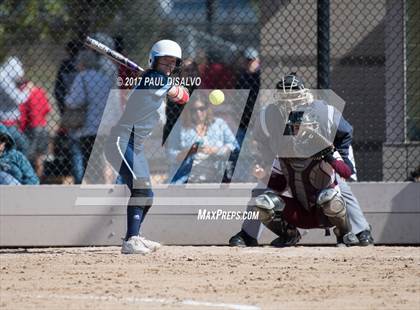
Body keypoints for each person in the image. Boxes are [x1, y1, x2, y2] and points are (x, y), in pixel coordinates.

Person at [229, 73, 374, 247]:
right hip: (286, 161)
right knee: (262, 190)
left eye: (294, 100)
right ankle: (251, 234)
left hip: (322, 160)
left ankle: (358, 231)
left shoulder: (323, 112)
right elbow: (261, 142)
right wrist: (265, 166)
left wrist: (336, 155)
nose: (290, 105)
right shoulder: (269, 115)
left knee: (338, 187)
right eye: (285, 100)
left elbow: (345, 132)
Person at [104, 39, 190, 254]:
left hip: (135, 146)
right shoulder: (153, 78)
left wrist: (166, 83)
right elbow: (180, 95)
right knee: (140, 189)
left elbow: (182, 96)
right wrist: (164, 83)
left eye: (173, 63)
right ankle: (131, 241)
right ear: (154, 61)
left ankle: (135, 236)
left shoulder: (155, 79)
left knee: (147, 194)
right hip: (121, 142)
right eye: (164, 62)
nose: (169, 66)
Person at [65, 50, 113, 184]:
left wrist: (66, 99)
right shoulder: (105, 78)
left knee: (88, 159)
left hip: (87, 127)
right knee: (100, 158)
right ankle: (103, 184)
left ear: (82, 63)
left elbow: (74, 101)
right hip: (104, 125)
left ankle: (90, 185)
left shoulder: (82, 77)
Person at [168, 96, 239, 184]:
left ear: (207, 109)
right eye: (194, 110)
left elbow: (234, 146)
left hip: (216, 176)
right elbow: (171, 155)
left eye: (201, 109)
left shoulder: (219, 124)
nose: (198, 113)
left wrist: (215, 150)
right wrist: (190, 151)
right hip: (186, 178)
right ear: (188, 111)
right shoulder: (179, 128)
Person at [19, 80, 51, 178]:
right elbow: (48, 108)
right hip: (43, 126)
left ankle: (28, 178)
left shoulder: (26, 95)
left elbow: (23, 113)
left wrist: (22, 128)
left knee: (28, 154)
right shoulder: (40, 92)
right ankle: (39, 178)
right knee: (39, 156)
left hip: (32, 127)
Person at [0, 56, 30, 155]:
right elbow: (19, 99)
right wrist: (27, 89)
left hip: (10, 122)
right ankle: (11, 169)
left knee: (10, 150)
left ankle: (8, 168)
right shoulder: (3, 79)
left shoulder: (5, 77)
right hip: (6, 123)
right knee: (24, 146)